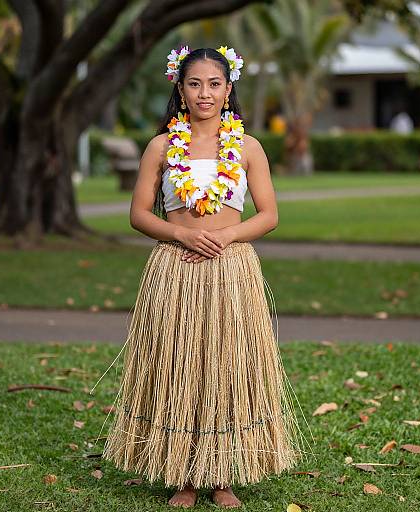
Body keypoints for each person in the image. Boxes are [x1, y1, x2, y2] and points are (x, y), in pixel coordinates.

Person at [91, 45, 315, 509]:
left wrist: (229, 234)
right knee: (181, 366)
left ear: (229, 89)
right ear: (180, 88)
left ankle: (223, 474)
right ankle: (182, 474)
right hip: (176, 268)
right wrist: (179, 234)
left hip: (231, 270)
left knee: (225, 367)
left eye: (214, 84)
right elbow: (137, 213)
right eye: (195, 84)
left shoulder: (248, 146)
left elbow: (269, 214)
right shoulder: (162, 146)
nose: (205, 93)